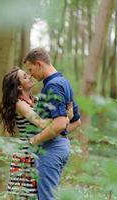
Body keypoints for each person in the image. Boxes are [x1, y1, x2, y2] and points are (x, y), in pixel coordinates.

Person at [0, 67, 74, 200]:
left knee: (35, 195)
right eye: (24, 76)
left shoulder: (37, 100)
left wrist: (63, 118)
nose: (29, 76)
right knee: (21, 195)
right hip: (26, 154)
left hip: (39, 152)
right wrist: (64, 118)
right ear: (19, 87)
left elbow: (53, 125)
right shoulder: (19, 104)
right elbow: (41, 123)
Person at [23, 47, 81, 200]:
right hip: (61, 147)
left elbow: (60, 124)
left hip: (51, 150)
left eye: (30, 69)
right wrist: (61, 134)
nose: (30, 75)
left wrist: (34, 140)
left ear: (39, 64)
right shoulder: (63, 82)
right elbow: (76, 122)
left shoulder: (53, 86)